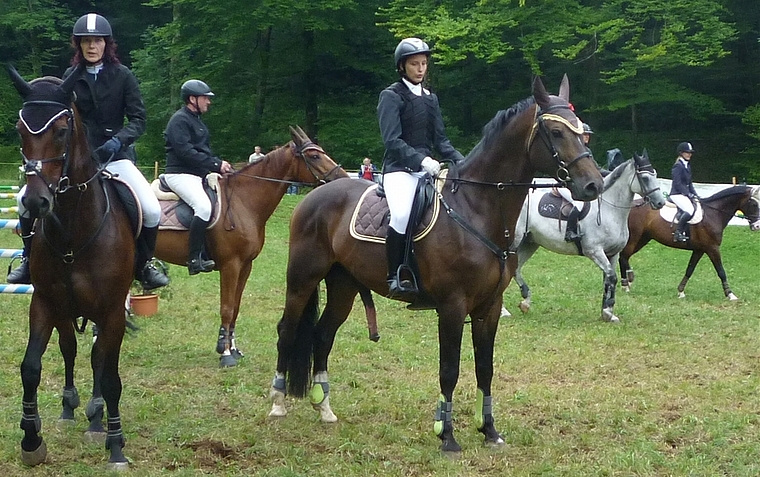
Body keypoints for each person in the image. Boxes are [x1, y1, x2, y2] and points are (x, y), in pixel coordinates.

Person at [7, 13, 169, 291]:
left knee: (152, 209)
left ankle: (144, 265)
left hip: (114, 156)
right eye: (85, 41)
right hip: (75, 159)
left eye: (97, 41)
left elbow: (139, 120)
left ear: (107, 44)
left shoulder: (123, 76)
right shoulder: (69, 77)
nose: (91, 46)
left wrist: (120, 140)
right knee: (25, 200)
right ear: (78, 45)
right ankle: (28, 257)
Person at [377, 37, 464, 298]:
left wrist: (462, 161)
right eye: (414, 64)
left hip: (428, 171)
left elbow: (441, 140)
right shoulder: (391, 96)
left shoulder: (430, 99)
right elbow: (392, 140)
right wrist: (421, 160)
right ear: (402, 67)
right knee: (402, 215)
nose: (420, 69)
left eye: (424, 63)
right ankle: (395, 275)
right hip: (399, 170)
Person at [164, 79, 234, 274]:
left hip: (197, 175)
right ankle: (194, 258)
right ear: (192, 99)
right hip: (179, 175)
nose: (208, 102)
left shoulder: (197, 121)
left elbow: (202, 152)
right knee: (203, 207)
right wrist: (215, 164)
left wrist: (219, 166)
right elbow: (185, 151)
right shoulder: (179, 120)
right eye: (205, 98)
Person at [557, 121, 595, 242]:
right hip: (563, 184)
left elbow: (597, 169)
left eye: (588, 135)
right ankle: (570, 232)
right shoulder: (571, 151)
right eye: (584, 134)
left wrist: (612, 174)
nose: (587, 137)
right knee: (578, 204)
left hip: (575, 186)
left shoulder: (586, 151)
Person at [669, 141, 698, 242]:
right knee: (689, 210)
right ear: (681, 153)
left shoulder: (687, 165)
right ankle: (678, 233)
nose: (689, 154)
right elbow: (677, 183)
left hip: (683, 194)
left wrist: (695, 195)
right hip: (676, 194)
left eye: (690, 152)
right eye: (687, 152)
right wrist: (687, 194)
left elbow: (689, 184)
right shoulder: (678, 166)